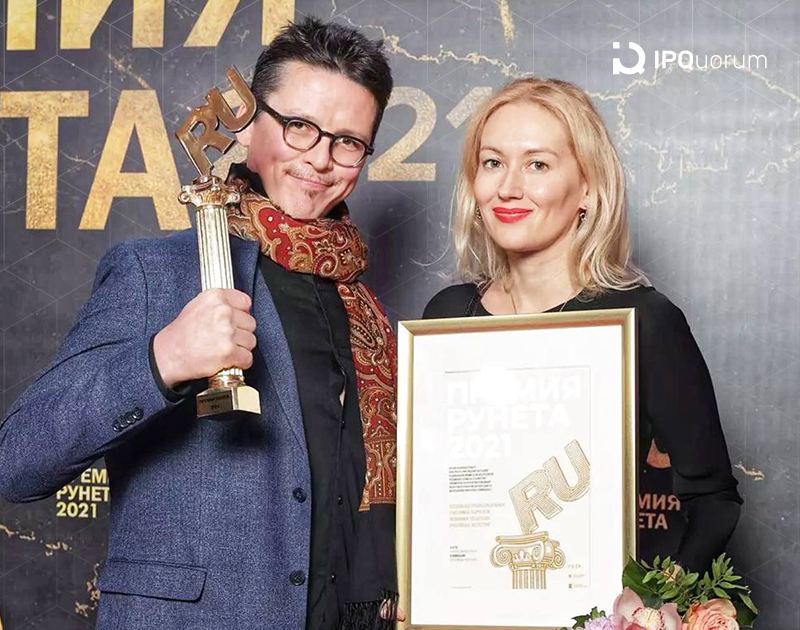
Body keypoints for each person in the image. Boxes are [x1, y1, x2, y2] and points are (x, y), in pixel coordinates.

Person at [0, 17, 400, 630]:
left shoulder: (367, 311)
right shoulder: (155, 272)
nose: (320, 159)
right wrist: (163, 360)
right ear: (251, 122)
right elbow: (19, 460)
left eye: (348, 142)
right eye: (299, 127)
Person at [423, 77, 742, 572]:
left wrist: (656, 601)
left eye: (537, 164)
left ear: (588, 189)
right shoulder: (446, 318)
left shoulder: (644, 323)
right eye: (493, 162)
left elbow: (713, 499)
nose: (508, 187)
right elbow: (425, 491)